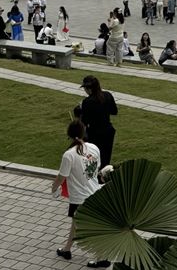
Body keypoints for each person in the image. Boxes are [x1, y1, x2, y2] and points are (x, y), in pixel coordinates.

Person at [50, 120, 101, 262]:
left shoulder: (69, 155)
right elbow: (96, 168)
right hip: (95, 193)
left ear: (69, 136)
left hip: (79, 198)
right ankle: (67, 249)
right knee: (75, 223)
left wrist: (54, 187)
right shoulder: (94, 148)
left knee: (86, 227)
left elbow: (62, 176)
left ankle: (102, 257)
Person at [78, 75, 118, 168]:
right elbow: (114, 111)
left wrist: (82, 109)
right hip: (108, 131)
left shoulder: (87, 102)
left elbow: (84, 121)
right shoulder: (107, 95)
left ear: (88, 89)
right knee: (106, 159)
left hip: (95, 134)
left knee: (94, 159)